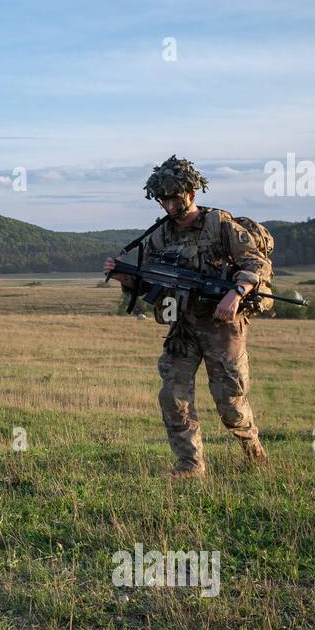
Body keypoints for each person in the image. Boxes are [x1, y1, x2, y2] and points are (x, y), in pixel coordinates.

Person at [104, 155, 270, 478]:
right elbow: (148, 282)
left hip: (222, 324)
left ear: (191, 194)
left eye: (173, 197)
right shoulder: (160, 235)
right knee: (172, 394)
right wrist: (124, 276)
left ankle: (253, 449)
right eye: (163, 198)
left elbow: (256, 264)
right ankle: (190, 465)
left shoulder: (219, 225)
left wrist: (235, 295)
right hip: (183, 325)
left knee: (230, 404)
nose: (167, 205)